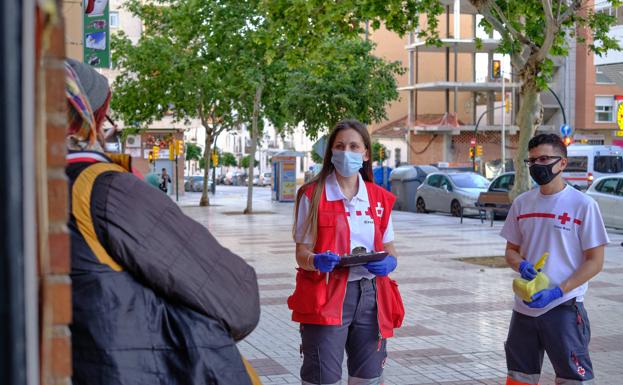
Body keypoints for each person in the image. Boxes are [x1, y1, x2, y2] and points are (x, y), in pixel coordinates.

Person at [64, 58, 261, 385]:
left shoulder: (34, 183)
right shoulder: (103, 188)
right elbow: (237, 301)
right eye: (105, 119)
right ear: (89, 115)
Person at [288, 119, 404, 385]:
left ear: (365, 154)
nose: (346, 152)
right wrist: (316, 261)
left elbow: (389, 248)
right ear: (331, 152)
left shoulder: (379, 198)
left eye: (354, 146)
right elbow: (301, 253)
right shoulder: (312, 195)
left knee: (369, 379)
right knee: (322, 379)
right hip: (326, 295)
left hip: (372, 297)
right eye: (339, 146)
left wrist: (390, 262)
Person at [500, 133, 609, 385]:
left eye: (545, 158)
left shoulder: (583, 205)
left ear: (562, 163)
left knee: (573, 378)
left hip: (565, 308)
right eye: (532, 161)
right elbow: (511, 251)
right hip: (524, 309)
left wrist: (558, 291)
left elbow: (595, 261)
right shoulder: (522, 204)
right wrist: (521, 264)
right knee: (519, 378)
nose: (538, 165)